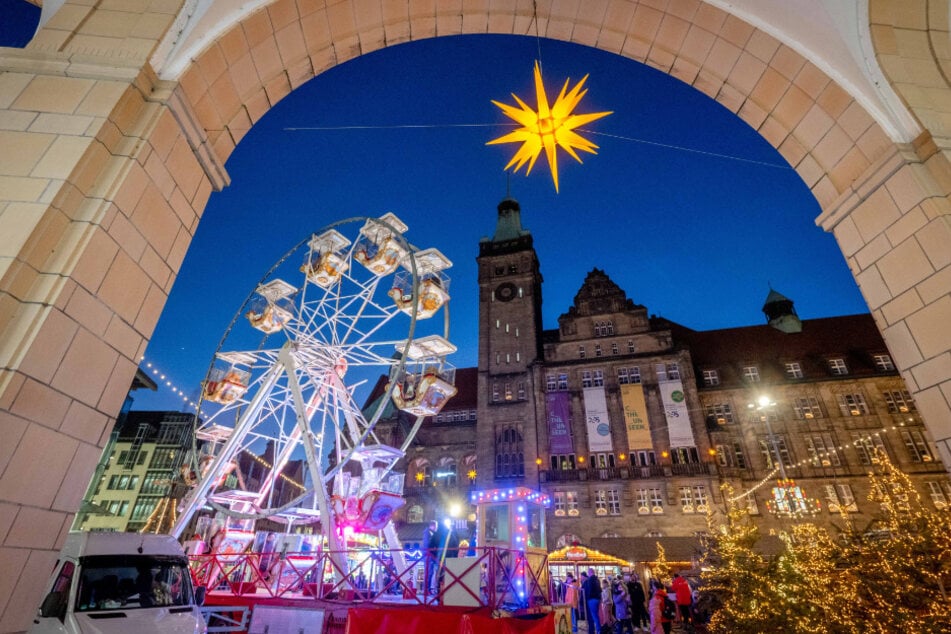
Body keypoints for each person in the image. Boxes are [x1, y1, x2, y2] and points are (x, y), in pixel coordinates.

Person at [582, 568, 602, 634]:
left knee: (594, 616)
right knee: (596, 615)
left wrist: (589, 597)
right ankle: (598, 630)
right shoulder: (597, 580)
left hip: (592, 599)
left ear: (590, 573)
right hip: (597, 599)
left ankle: (598, 630)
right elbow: (600, 590)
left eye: (588, 572)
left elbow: (589, 590)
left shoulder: (590, 580)